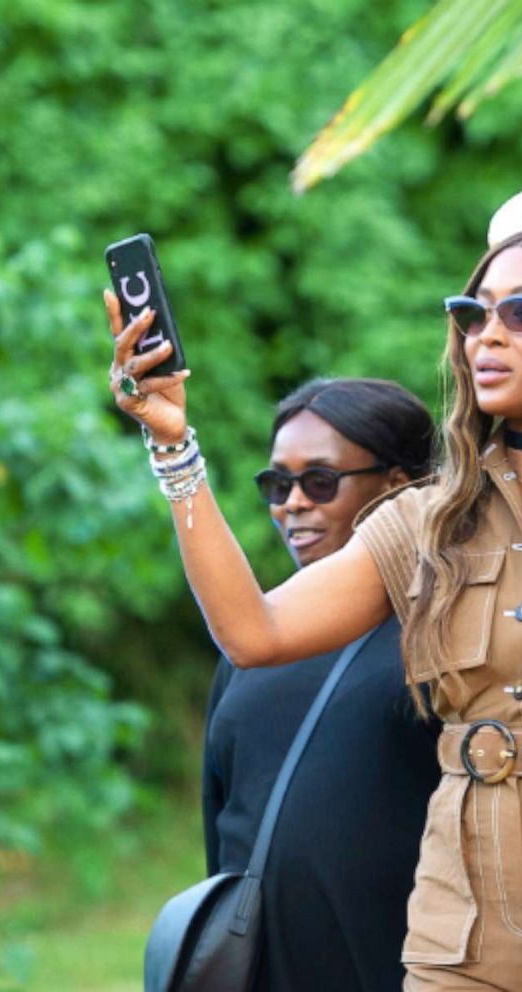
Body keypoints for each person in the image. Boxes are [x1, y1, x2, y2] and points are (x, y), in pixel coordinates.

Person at [105, 174, 522, 990]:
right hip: (457, 935)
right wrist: (174, 448)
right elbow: (254, 634)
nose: (485, 338)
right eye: (474, 316)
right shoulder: (431, 517)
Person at [200, 377, 441, 990]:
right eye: (278, 484)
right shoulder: (254, 641)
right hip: (256, 966)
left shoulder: (446, 637)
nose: (293, 503)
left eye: (320, 481)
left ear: (398, 487)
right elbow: (220, 814)